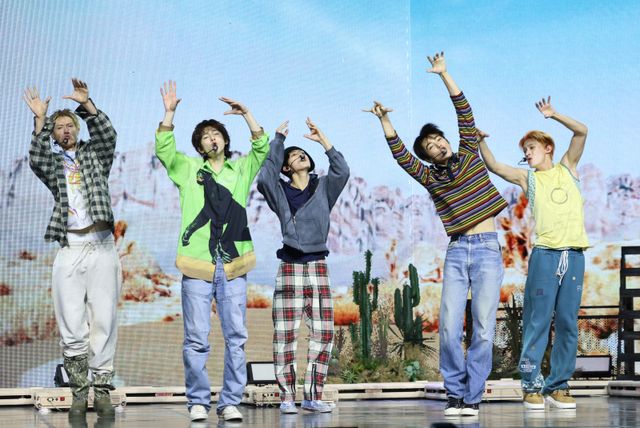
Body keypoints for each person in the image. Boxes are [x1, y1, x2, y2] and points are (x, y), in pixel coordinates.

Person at [364, 52, 507, 417]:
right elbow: (401, 156)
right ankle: (455, 394)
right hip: (458, 250)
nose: (438, 145)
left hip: (487, 248)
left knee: (483, 327)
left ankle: (473, 397)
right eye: (430, 147)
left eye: (439, 139)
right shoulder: (430, 177)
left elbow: (464, 112)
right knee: (448, 326)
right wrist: (385, 120)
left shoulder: (470, 153)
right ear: (428, 157)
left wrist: (445, 74)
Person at [155, 81, 269, 422]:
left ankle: (230, 400)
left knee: (236, 336)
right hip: (197, 265)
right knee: (196, 338)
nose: (212, 139)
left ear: (225, 141)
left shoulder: (241, 170)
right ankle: (198, 401)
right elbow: (165, 151)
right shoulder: (189, 170)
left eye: (216, 134)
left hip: (233, 264)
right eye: (205, 137)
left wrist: (247, 114)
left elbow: (261, 147)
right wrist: (169, 114)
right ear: (199, 146)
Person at [477, 96, 588, 410]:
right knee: (537, 322)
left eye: (531, 148)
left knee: (567, 323)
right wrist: (482, 141)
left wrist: (554, 115)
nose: (527, 154)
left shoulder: (568, 169)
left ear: (547, 148)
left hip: (574, 256)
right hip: (545, 256)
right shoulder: (529, 179)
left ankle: (559, 385)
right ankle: (531, 385)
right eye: (524, 150)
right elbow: (495, 166)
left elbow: (581, 131)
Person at [26, 79, 121, 420]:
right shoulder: (53, 164)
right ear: (53, 135)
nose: (65, 130)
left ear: (77, 129)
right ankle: (79, 391)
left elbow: (108, 136)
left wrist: (88, 105)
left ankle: (102, 390)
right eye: (59, 128)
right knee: (71, 321)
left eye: (69, 125)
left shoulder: (95, 155)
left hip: (101, 245)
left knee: (104, 319)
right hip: (70, 245)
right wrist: (41, 120)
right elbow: (36, 158)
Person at [256, 118, 349, 414]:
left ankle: (313, 395)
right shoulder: (280, 191)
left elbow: (342, 171)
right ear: (286, 167)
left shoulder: (323, 188)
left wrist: (324, 142)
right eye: (294, 156)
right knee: (285, 335)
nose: (300, 156)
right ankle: (287, 396)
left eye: (302, 153)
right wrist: (278, 141)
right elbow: (264, 179)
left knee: (323, 333)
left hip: (318, 266)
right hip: (290, 266)